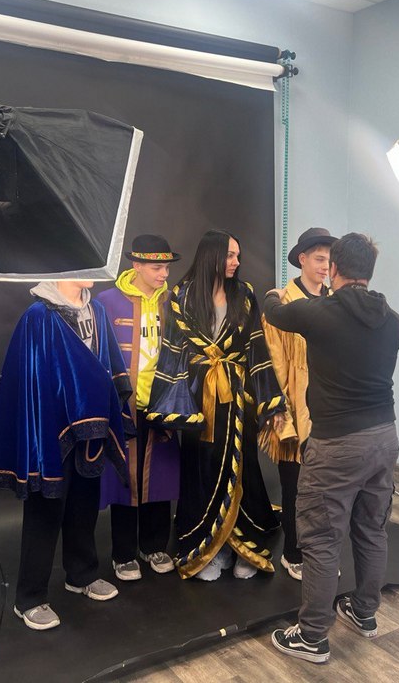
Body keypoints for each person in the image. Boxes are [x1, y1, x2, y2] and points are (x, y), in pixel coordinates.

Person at [263, 233, 399, 664]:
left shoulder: (319, 313)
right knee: (372, 529)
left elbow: (274, 311)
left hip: (337, 444)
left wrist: (272, 291)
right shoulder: (394, 321)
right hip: (385, 437)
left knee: (322, 540)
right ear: (370, 272)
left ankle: (312, 637)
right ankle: (364, 612)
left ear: (335, 269)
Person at [147, 230, 288, 581]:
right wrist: (167, 407)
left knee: (242, 468)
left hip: (238, 398)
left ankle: (245, 545)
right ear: (211, 255)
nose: (236, 262)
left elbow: (257, 349)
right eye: (230, 255)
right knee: (201, 470)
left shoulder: (245, 295)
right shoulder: (181, 297)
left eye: (238, 255)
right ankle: (210, 547)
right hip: (199, 401)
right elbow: (172, 354)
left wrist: (270, 402)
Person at [0, 280, 131, 631]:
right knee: (45, 509)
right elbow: (31, 378)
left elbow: (107, 363)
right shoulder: (39, 315)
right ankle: (29, 598)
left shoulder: (96, 310)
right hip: (52, 429)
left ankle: (81, 574)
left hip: (92, 427)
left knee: (84, 501)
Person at [97, 235, 181, 581]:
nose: (164, 274)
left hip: (163, 402)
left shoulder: (173, 303)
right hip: (124, 404)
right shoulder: (106, 302)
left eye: (166, 268)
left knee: (159, 474)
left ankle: (155, 545)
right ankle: (124, 553)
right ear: (137, 265)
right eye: (157, 268)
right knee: (124, 477)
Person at [261, 227, 336, 581]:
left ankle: (319, 553)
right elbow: (275, 364)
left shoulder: (335, 302)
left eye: (329, 261)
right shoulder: (282, 305)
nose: (325, 267)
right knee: (294, 488)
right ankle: (293, 554)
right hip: (294, 409)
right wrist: (282, 415)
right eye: (319, 259)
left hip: (330, 412)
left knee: (326, 491)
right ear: (302, 259)